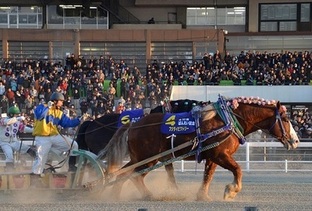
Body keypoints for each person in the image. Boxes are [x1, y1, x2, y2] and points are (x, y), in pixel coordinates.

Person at [31, 92, 86, 177]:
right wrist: (48, 108)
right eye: (61, 101)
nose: (62, 103)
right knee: (41, 159)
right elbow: (39, 115)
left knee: (73, 145)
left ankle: (71, 166)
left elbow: (68, 123)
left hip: (54, 136)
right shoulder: (41, 107)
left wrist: (80, 119)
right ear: (55, 101)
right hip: (42, 138)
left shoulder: (59, 112)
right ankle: (35, 177)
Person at [0, 105, 36, 170]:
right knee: (10, 156)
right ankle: (9, 172)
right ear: (11, 114)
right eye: (16, 114)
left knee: (28, 149)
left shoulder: (17, 122)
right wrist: (18, 119)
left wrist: (35, 130)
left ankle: (39, 163)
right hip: (4, 142)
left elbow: (24, 128)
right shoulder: (3, 120)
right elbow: (8, 122)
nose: (17, 116)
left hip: (14, 141)